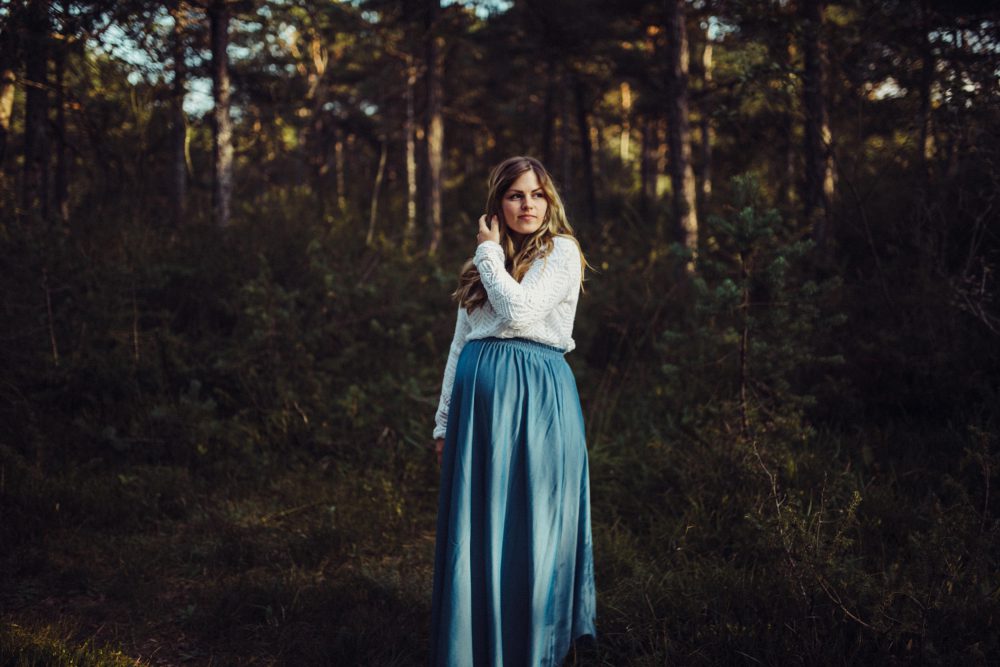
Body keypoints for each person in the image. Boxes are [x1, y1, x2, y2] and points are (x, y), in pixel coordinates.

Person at [429, 156, 597, 666]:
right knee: (479, 529)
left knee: (533, 524)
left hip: (536, 401)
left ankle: (533, 649)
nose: (527, 205)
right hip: (479, 411)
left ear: (550, 202)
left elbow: (520, 312)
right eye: (515, 195)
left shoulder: (562, 252)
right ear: (498, 204)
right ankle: (479, 649)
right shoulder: (485, 263)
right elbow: (460, 346)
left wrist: (486, 253)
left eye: (537, 195)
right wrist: (442, 422)